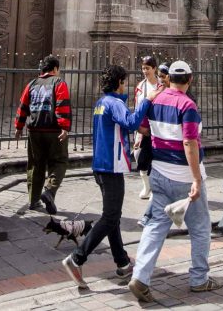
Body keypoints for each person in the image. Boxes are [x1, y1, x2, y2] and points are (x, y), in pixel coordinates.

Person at [128, 60, 219, 302]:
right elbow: (189, 143)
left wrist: (162, 136)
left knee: (155, 225)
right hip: (183, 175)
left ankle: (140, 277)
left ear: (170, 78)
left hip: (159, 172)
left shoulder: (156, 100)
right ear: (190, 79)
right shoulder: (187, 105)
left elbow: (143, 128)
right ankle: (199, 279)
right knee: (200, 228)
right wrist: (197, 180)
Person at [62, 64, 158, 291]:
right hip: (111, 167)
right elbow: (132, 123)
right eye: (124, 82)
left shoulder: (100, 103)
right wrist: (147, 100)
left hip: (101, 165)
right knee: (110, 216)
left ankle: (122, 262)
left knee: (112, 214)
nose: (126, 86)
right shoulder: (115, 103)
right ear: (118, 83)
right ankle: (77, 258)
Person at [12, 54, 71, 214]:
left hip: (34, 130)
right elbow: (62, 105)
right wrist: (64, 126)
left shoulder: (32, 84)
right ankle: (49, 191)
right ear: (55, 69)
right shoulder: (59, 83)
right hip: (53, 130)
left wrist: (19, 126)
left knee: (35, 164)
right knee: (59, 161)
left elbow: (23, 105)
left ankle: (33, 200)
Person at [133, 55, 162, 201]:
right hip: (143, 128)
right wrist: (137, 126)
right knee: (139, 156)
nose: (145, 71)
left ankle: (155, 189)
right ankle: (147, 186)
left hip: (157, 128)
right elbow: (137, 107)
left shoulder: (161, 86)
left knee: (156, 158)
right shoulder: (140, 86)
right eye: (143, 68)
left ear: (154, 68)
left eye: (147, 68)